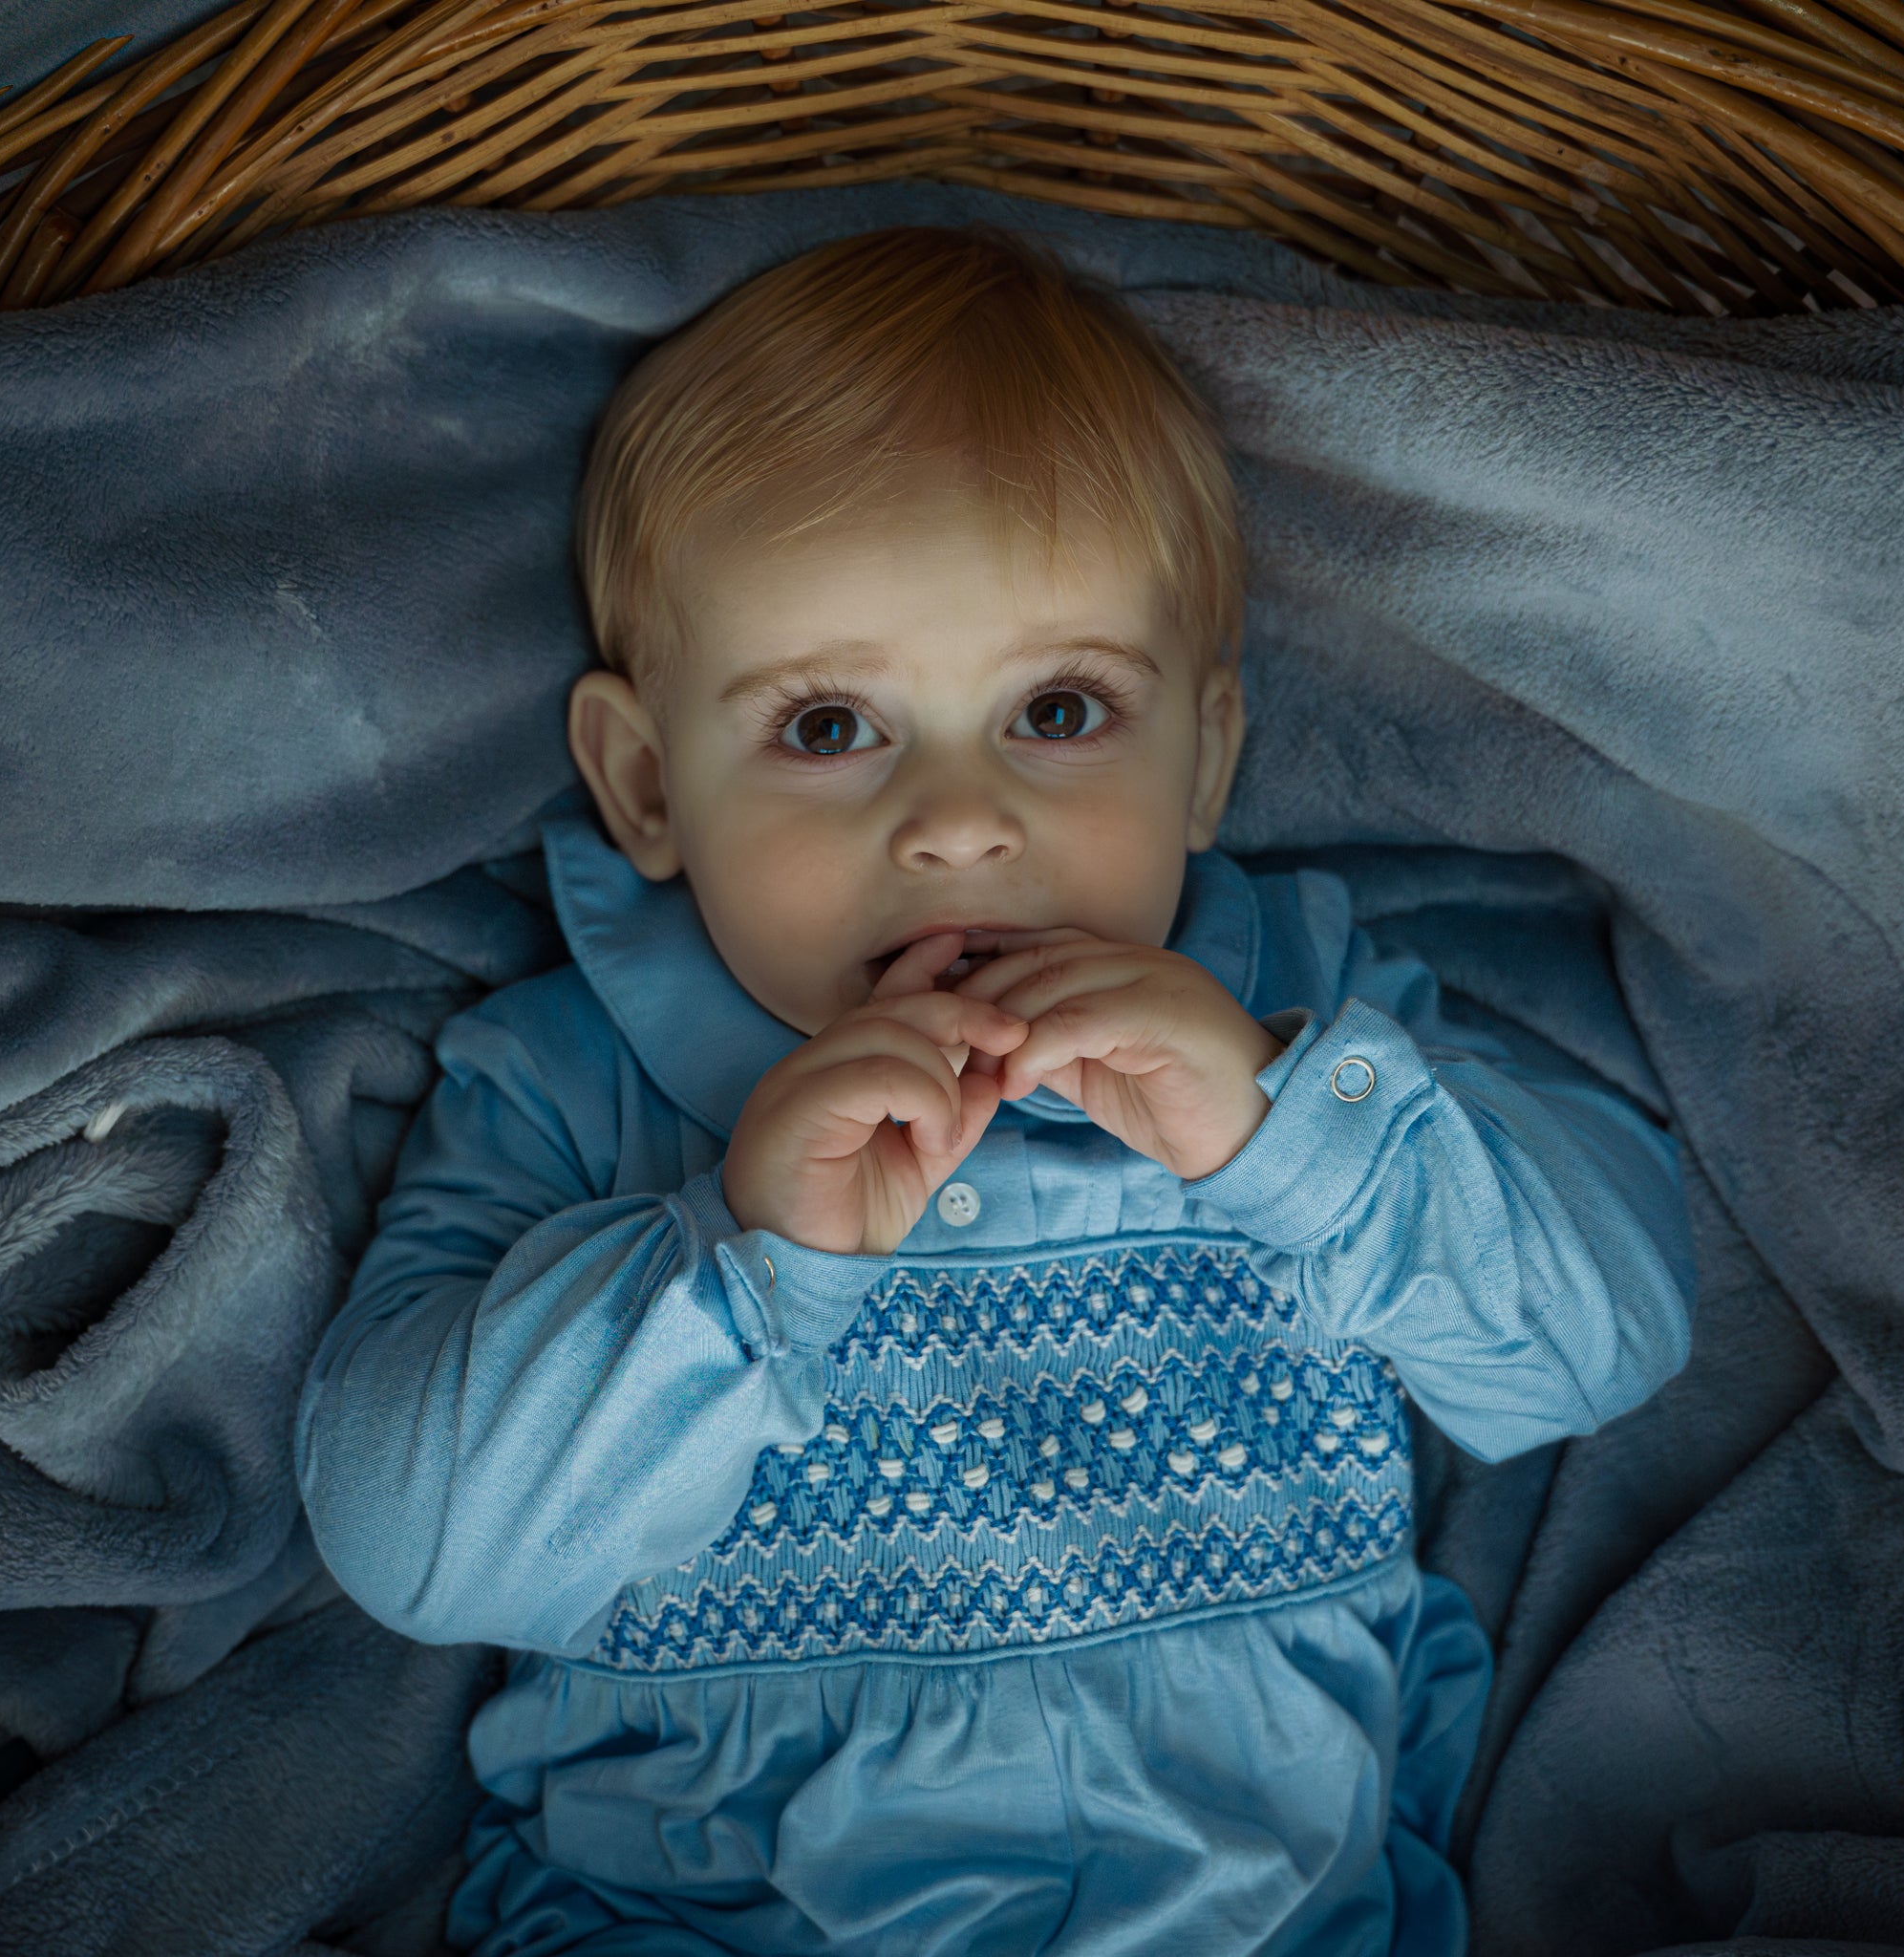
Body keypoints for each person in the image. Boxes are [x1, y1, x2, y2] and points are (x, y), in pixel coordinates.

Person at [296, 224, 1693, 1956]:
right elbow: (411, 1547)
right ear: (649, 787)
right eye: (827, 729)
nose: (958, 821)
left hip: (1267, 1898)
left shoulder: (1301, 1030)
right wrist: (745, 1262)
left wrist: (1292, 1132)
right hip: (716, 1907)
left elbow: (1602, 1346)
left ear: (1209, 754)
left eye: (1057, 707)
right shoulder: (578, 1086)